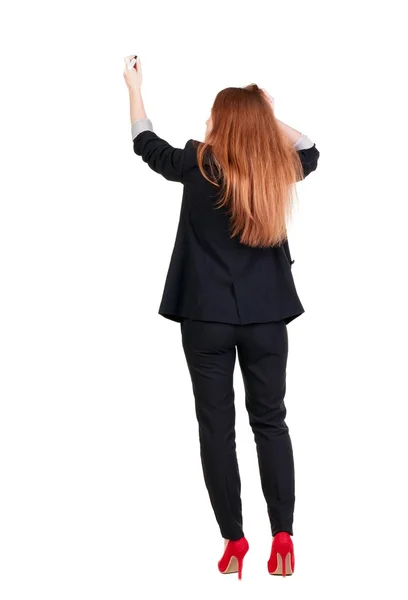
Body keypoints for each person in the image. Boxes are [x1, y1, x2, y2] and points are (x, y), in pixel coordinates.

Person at [123, 55, 320, 579]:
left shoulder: (197, 162)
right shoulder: (276, 167)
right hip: (267, 320)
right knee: (271, 422)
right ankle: (283, 538)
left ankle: (234, 542)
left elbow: (145, 143)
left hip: (204, 318)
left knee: (217, 430)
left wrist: (133, 86)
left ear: (218, 121)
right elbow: (311, 151)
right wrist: (266, 115)